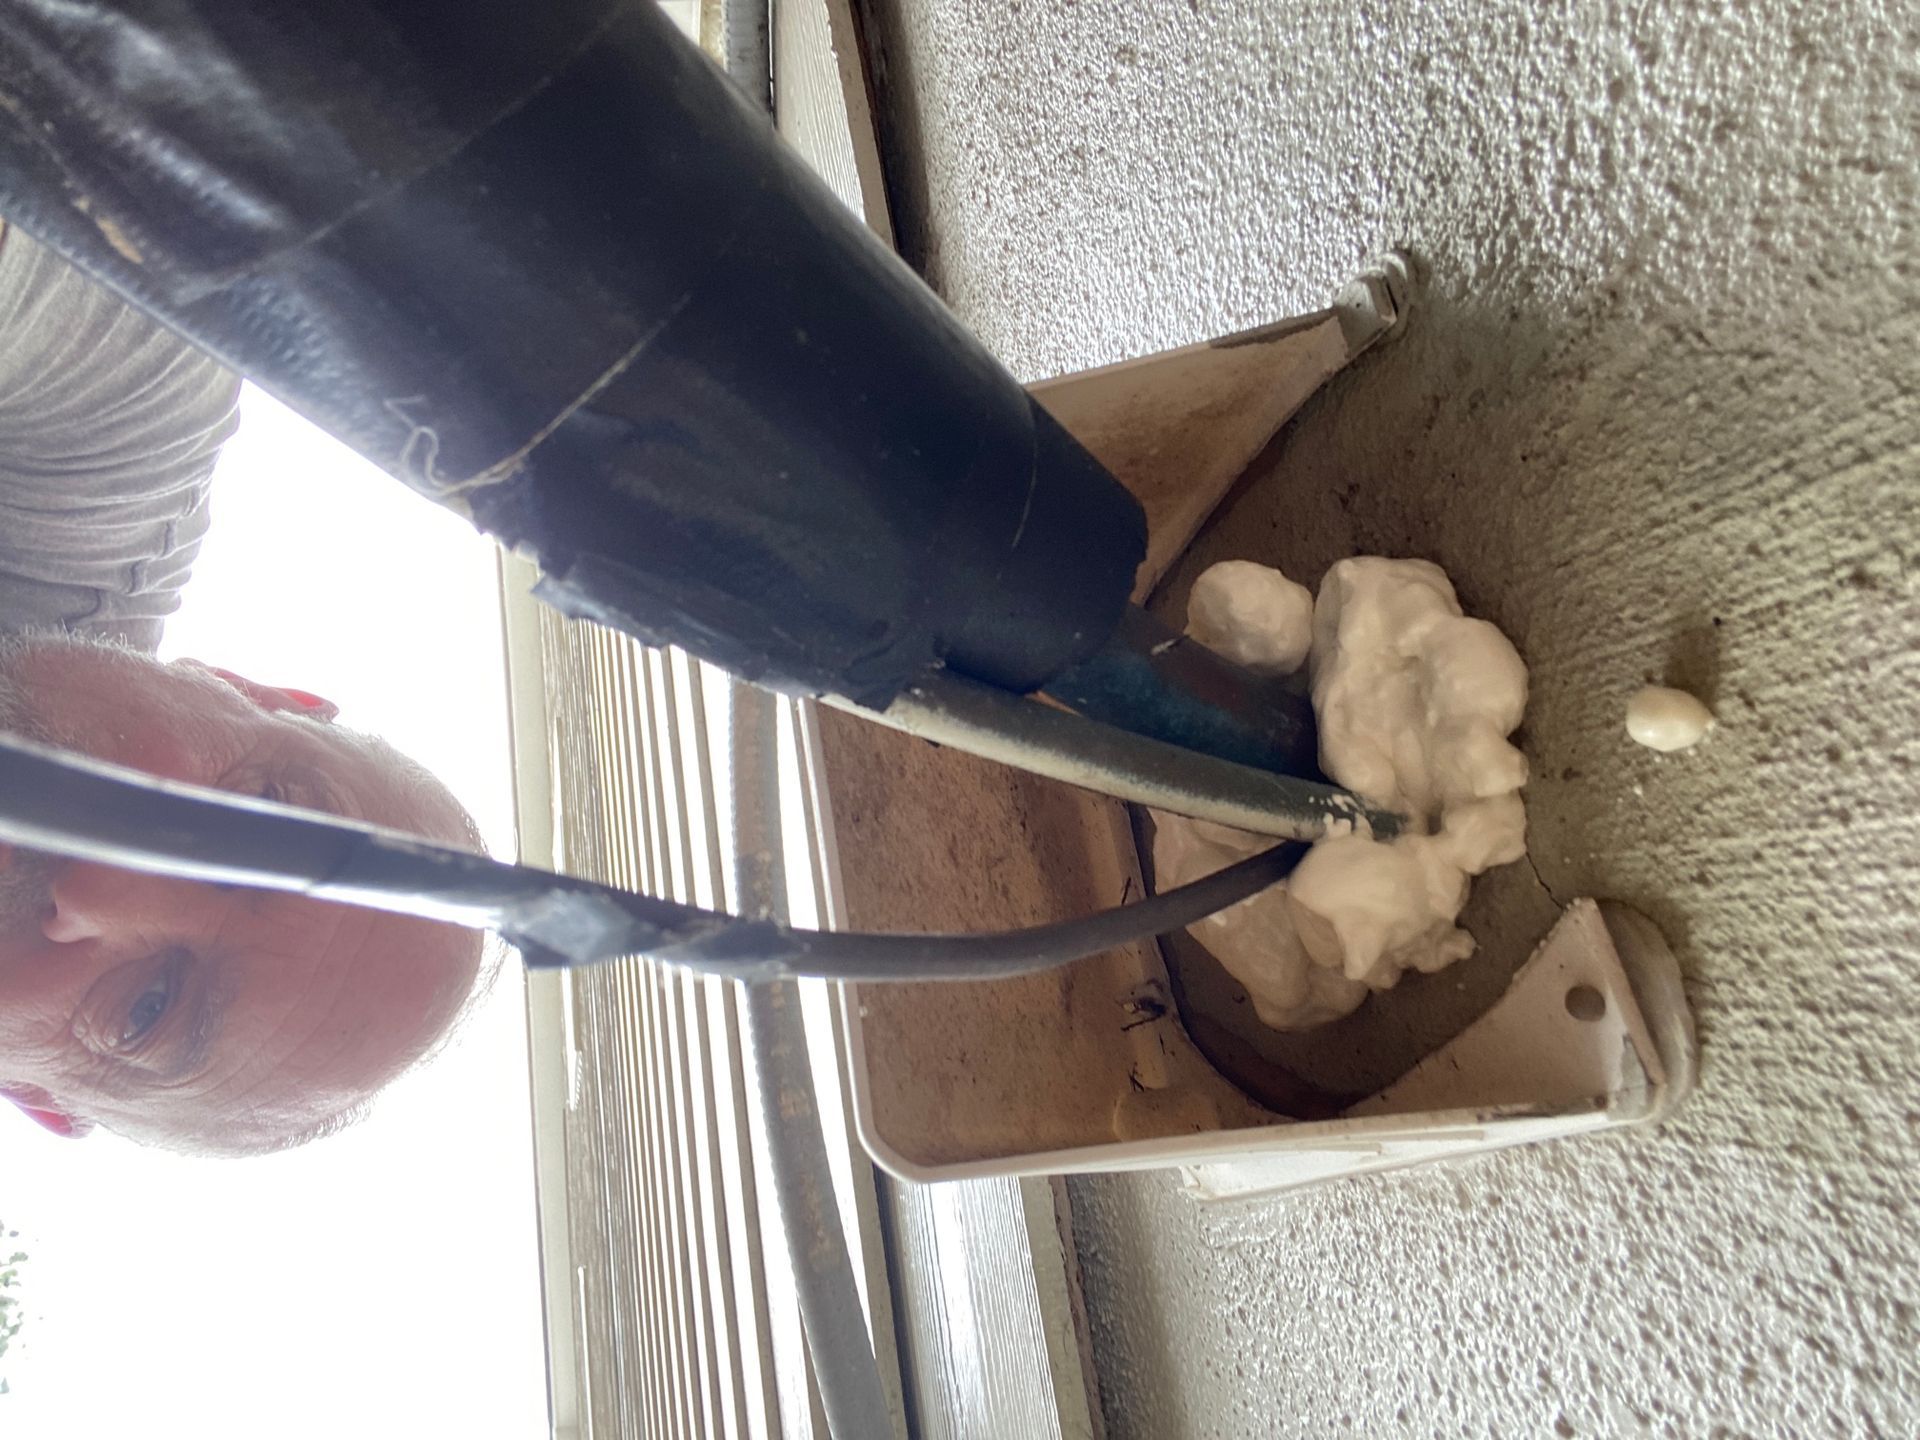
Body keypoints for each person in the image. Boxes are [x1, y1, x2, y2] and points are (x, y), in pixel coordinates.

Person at [0, 221, 488, 1154]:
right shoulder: (107, 444)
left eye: (145, 1009)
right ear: (243, 687)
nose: (101, 884)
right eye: (255, 818)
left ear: (32, 1094)